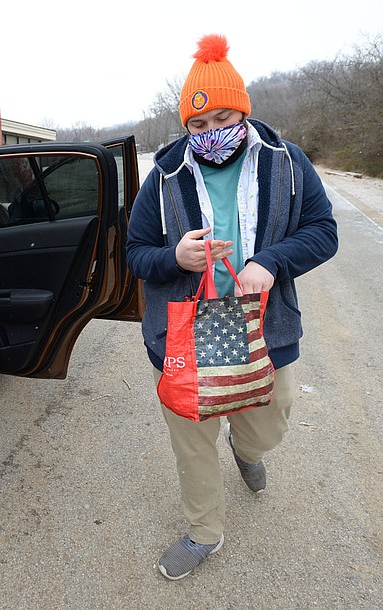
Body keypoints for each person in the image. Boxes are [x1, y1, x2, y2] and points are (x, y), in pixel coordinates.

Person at [125, 33, 338, 580]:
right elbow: (134, 253)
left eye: (223, 116)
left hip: (263, 325)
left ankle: (247, 450)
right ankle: (204, 533)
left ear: (242, 111)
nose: (212, 131)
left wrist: (271, 261)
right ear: (185, 126)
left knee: (269, 421)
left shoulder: (287, 163)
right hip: (182, 331)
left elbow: (323, 231)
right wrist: (175, 256)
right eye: (198, 124)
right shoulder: (166, 173)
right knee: (193, 441)